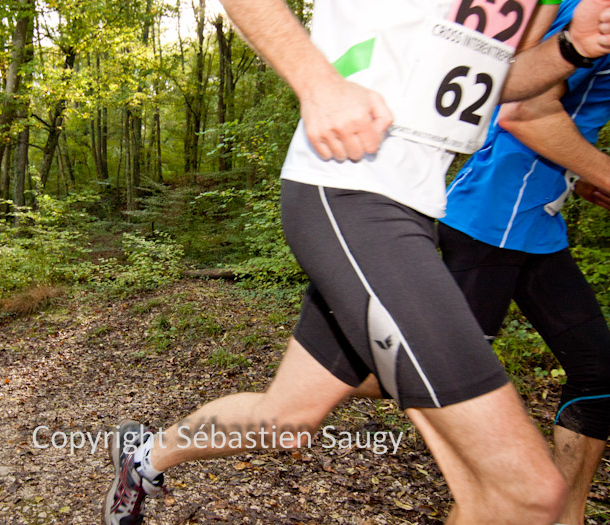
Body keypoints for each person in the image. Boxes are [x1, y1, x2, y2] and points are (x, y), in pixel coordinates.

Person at [103, 1, 610, 523]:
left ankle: (143, 457)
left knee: (287, 418)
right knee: (526, 493)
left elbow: (501, 81)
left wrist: (571, 47)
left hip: (415, 207)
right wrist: (315, 81)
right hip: (347, 189)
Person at [438, 1, 610, 523]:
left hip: (536, 228)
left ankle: (566, 517)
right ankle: (315, 377)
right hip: (489, 224)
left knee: (600, 374)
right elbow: (520, 111)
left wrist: (581, 177)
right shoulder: (588, 13)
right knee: (451, 381)